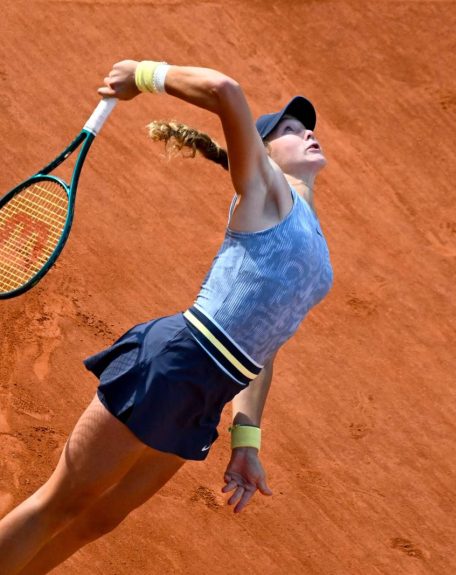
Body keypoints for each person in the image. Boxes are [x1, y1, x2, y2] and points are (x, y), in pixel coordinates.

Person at [0, 59, 333, 574]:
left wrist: (246, 439)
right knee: (60, 503)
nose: (307, 132)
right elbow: (224, 89)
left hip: (209, 394)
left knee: (100, 519)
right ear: (262, 152)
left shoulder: (316, 245)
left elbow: (265, 348)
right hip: (175, 362)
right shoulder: (267, 190)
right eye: (289, 129)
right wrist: (141, 74)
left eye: (306, 127)